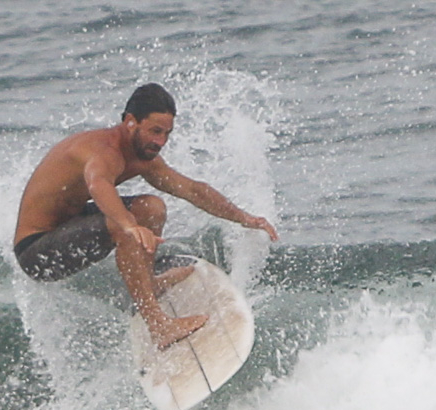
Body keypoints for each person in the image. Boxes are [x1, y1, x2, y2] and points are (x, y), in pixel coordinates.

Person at [14, 83, 278, 348]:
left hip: (69, 224)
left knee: (151, 207)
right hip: (36, 251)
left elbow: (192, 190)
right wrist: (128, 225)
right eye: (154, 131)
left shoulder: (141, 156)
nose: (160, 142)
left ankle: (148, 285)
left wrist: (245, 218)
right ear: (130, 122)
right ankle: (159, 326)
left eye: (166, 133)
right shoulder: (103, 152)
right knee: (124, 225)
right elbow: (98, 184)